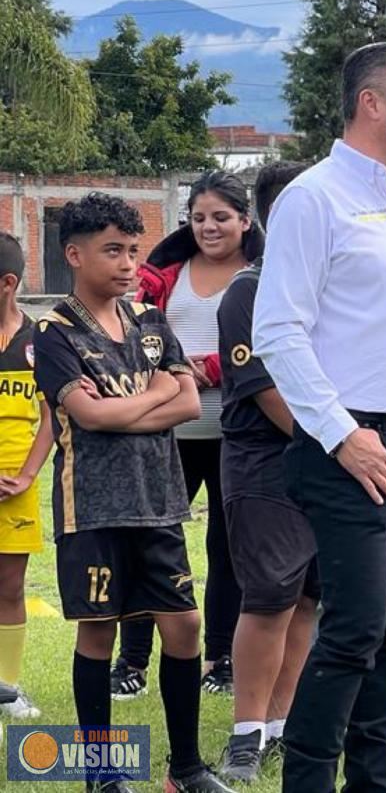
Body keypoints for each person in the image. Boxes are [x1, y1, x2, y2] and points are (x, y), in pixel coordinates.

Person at [252, 42, 386, 792]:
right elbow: (279, 330)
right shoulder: (315, 197)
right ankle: (307, 781)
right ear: (371, 102)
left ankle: (375, 784)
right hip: (351, 444)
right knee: (351, 632)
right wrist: (343, 435)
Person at [34, 192, 234, 792]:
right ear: (75, 254)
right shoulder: (53, 332)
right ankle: (101, 773)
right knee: (99, 631)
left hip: (160, 502)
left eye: (133, 250)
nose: (126, 263)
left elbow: (191, 402)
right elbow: (88, 418)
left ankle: (186, 768)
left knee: (185, 627)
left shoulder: (151, 322)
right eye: (112, 250)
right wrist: (154, 398)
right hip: (92, 506)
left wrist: (127, 405)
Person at [114, 171, 259, 700]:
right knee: (148, 541)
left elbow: (266, 340)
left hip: (236, 433)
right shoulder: (165, 273)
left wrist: (212, 370)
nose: (209, 227)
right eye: (199, 218)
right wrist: (175, 368)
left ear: (245, 221)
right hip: (168, 431)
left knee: (227, 549)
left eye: (221, 217)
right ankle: (131, 660)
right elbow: (134, 331)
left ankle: (220, 658)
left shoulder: (263, 274)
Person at [214, 161, 318, 784]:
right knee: (270, 598)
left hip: (328, 462)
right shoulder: (249, 291)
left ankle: (281, 724)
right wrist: (337, 441)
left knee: (308, 599)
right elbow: (264, 390)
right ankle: (245, 735)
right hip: (266, 464)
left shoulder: (327, 285)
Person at [0, 231, 53, 719]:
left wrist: (26, 475)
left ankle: (9, 688)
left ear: (7, 284)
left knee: (11, 587)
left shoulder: (37, 340)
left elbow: (53, 417)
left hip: (14, 489)